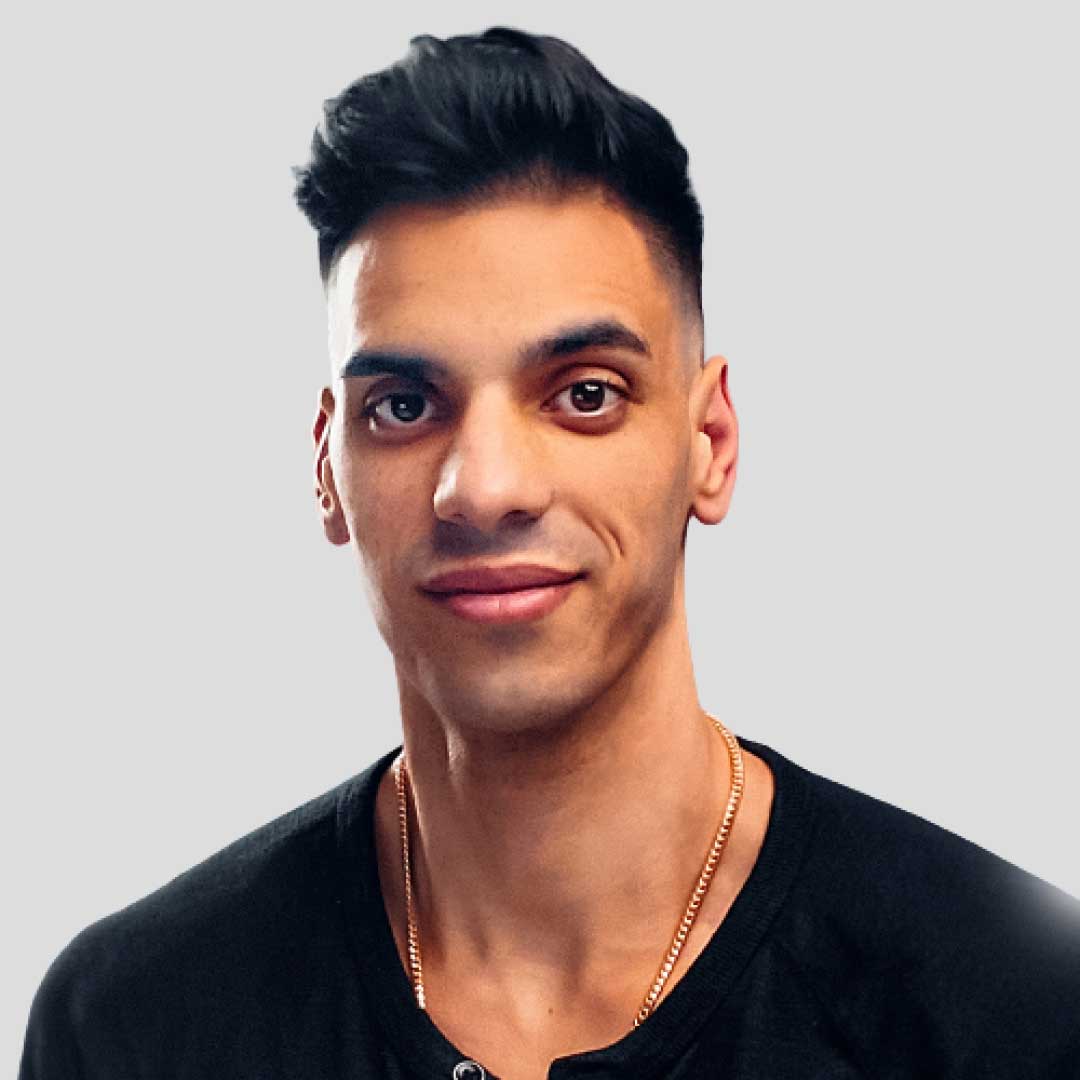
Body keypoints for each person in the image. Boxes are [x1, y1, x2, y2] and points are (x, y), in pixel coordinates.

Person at [19, 26, 1080, 1080]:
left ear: (708, 445)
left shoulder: (1010, 1012)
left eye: (584, 395)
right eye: (402, 405)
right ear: (327, 467)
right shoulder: (135, 1025)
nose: (483, 487)